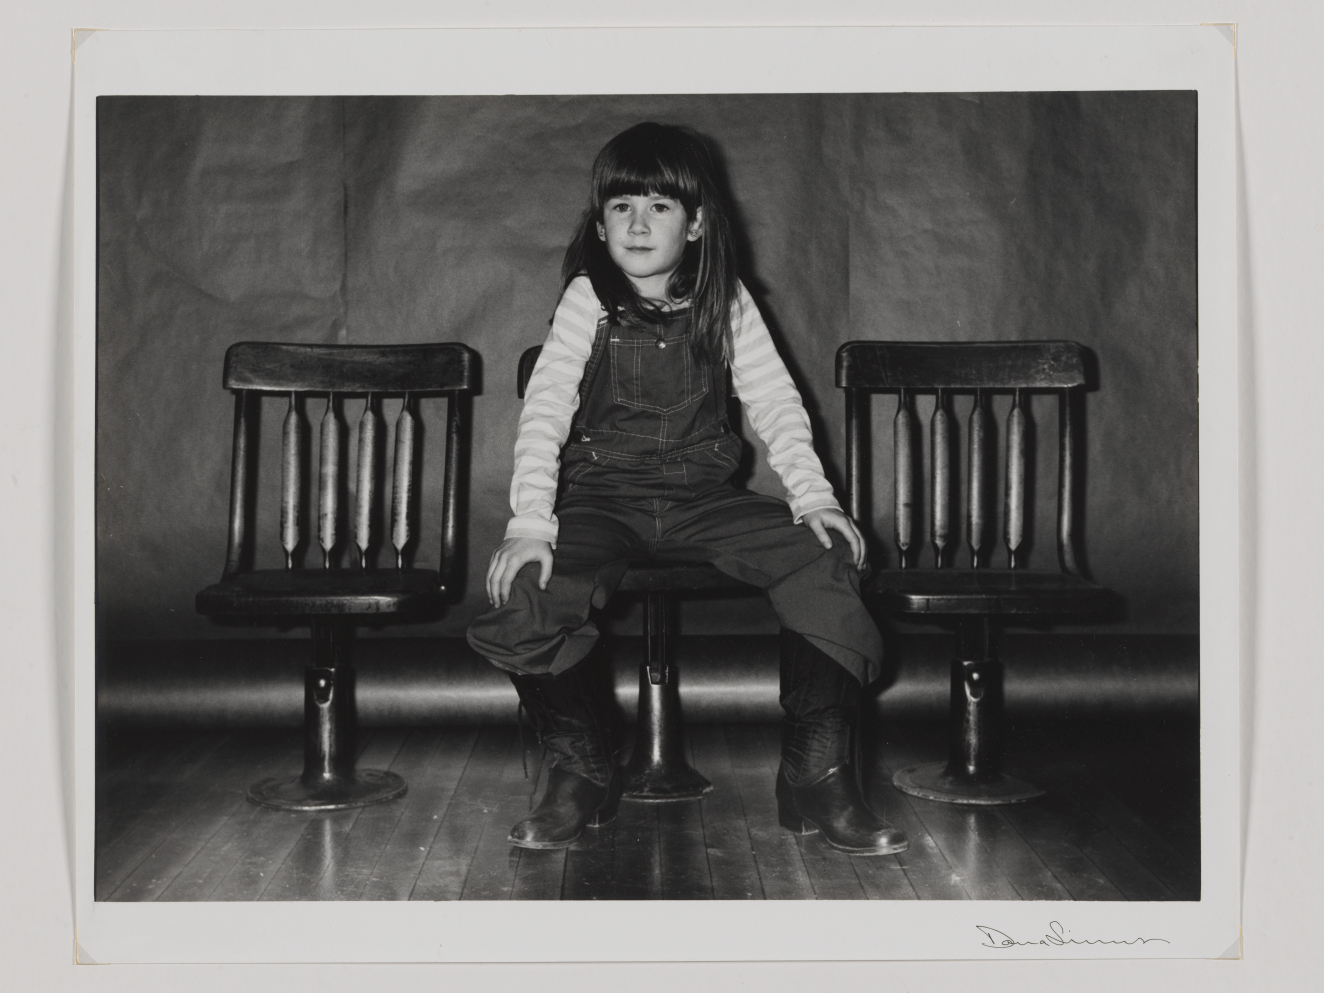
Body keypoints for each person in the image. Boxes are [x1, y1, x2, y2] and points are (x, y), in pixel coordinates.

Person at [468, 122, 907, 858]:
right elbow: (544, 410)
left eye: (660, 206)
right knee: (531, 588)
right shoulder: (587, 298)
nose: (638, 224)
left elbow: (774, 400)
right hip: (603, 499)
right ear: (600, 223)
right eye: (622, 206)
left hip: (704, 501)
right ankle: (580, 772)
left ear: (696, 224)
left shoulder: (724, 299)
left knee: (824, 556)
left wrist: (813, 497)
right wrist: (531, 522)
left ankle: (817, 776)